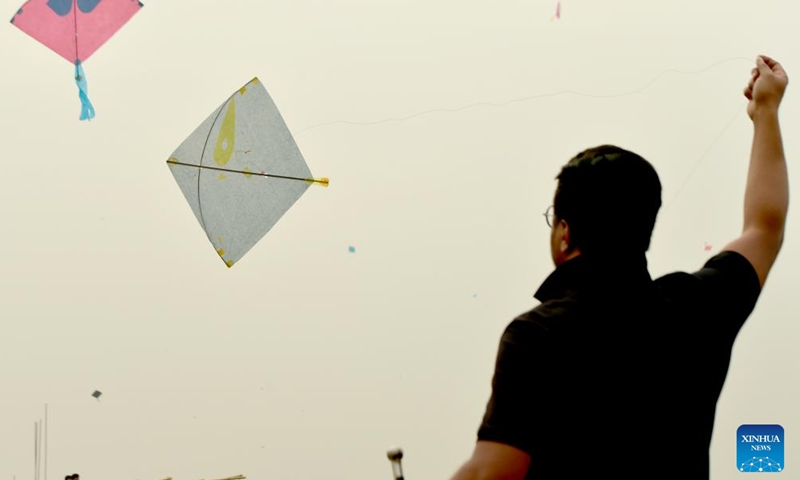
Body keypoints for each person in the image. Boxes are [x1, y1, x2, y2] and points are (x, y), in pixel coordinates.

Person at [448, 55, 788, 479]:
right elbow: (765, 226)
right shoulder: (696, 308)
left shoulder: (538, 335)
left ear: (566, 233)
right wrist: (766, 111)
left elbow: (492, 473)